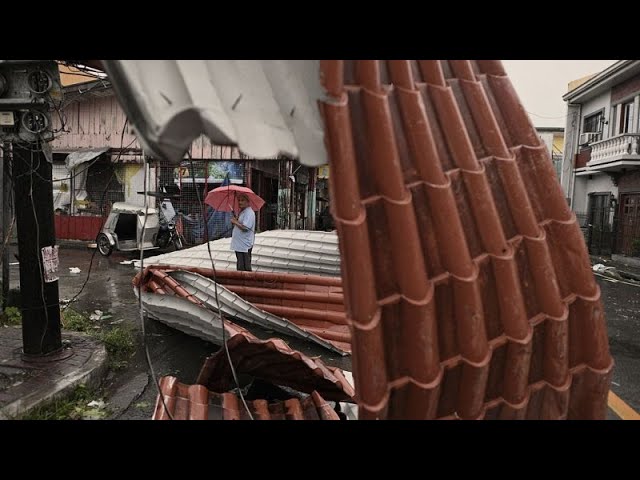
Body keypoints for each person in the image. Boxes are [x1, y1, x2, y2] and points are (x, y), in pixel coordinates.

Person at [230, 194, 256, 271]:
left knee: (245, 266)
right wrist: (237, 220)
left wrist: (235, 222)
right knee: (240, 265)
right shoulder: (243, 212)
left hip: (244, 245)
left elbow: (245, 227)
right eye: (239, 200)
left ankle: (247, 282)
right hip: (240, 244)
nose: (240, 202)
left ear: (248, 202)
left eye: (242, 200)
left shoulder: (249, 213)